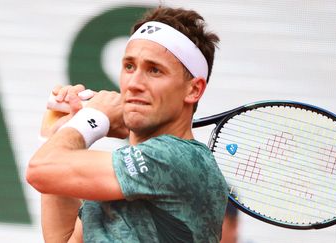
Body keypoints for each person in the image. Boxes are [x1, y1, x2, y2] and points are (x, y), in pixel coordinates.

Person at [26, 6, 228, 243]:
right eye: (129, 66)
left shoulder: (179, 158)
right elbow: (62, 238)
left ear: (193, 89)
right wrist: (56, 135)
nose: (134, 83)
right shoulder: (125, 168)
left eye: (154, 70)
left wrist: (92, 119)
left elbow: (41, 170)